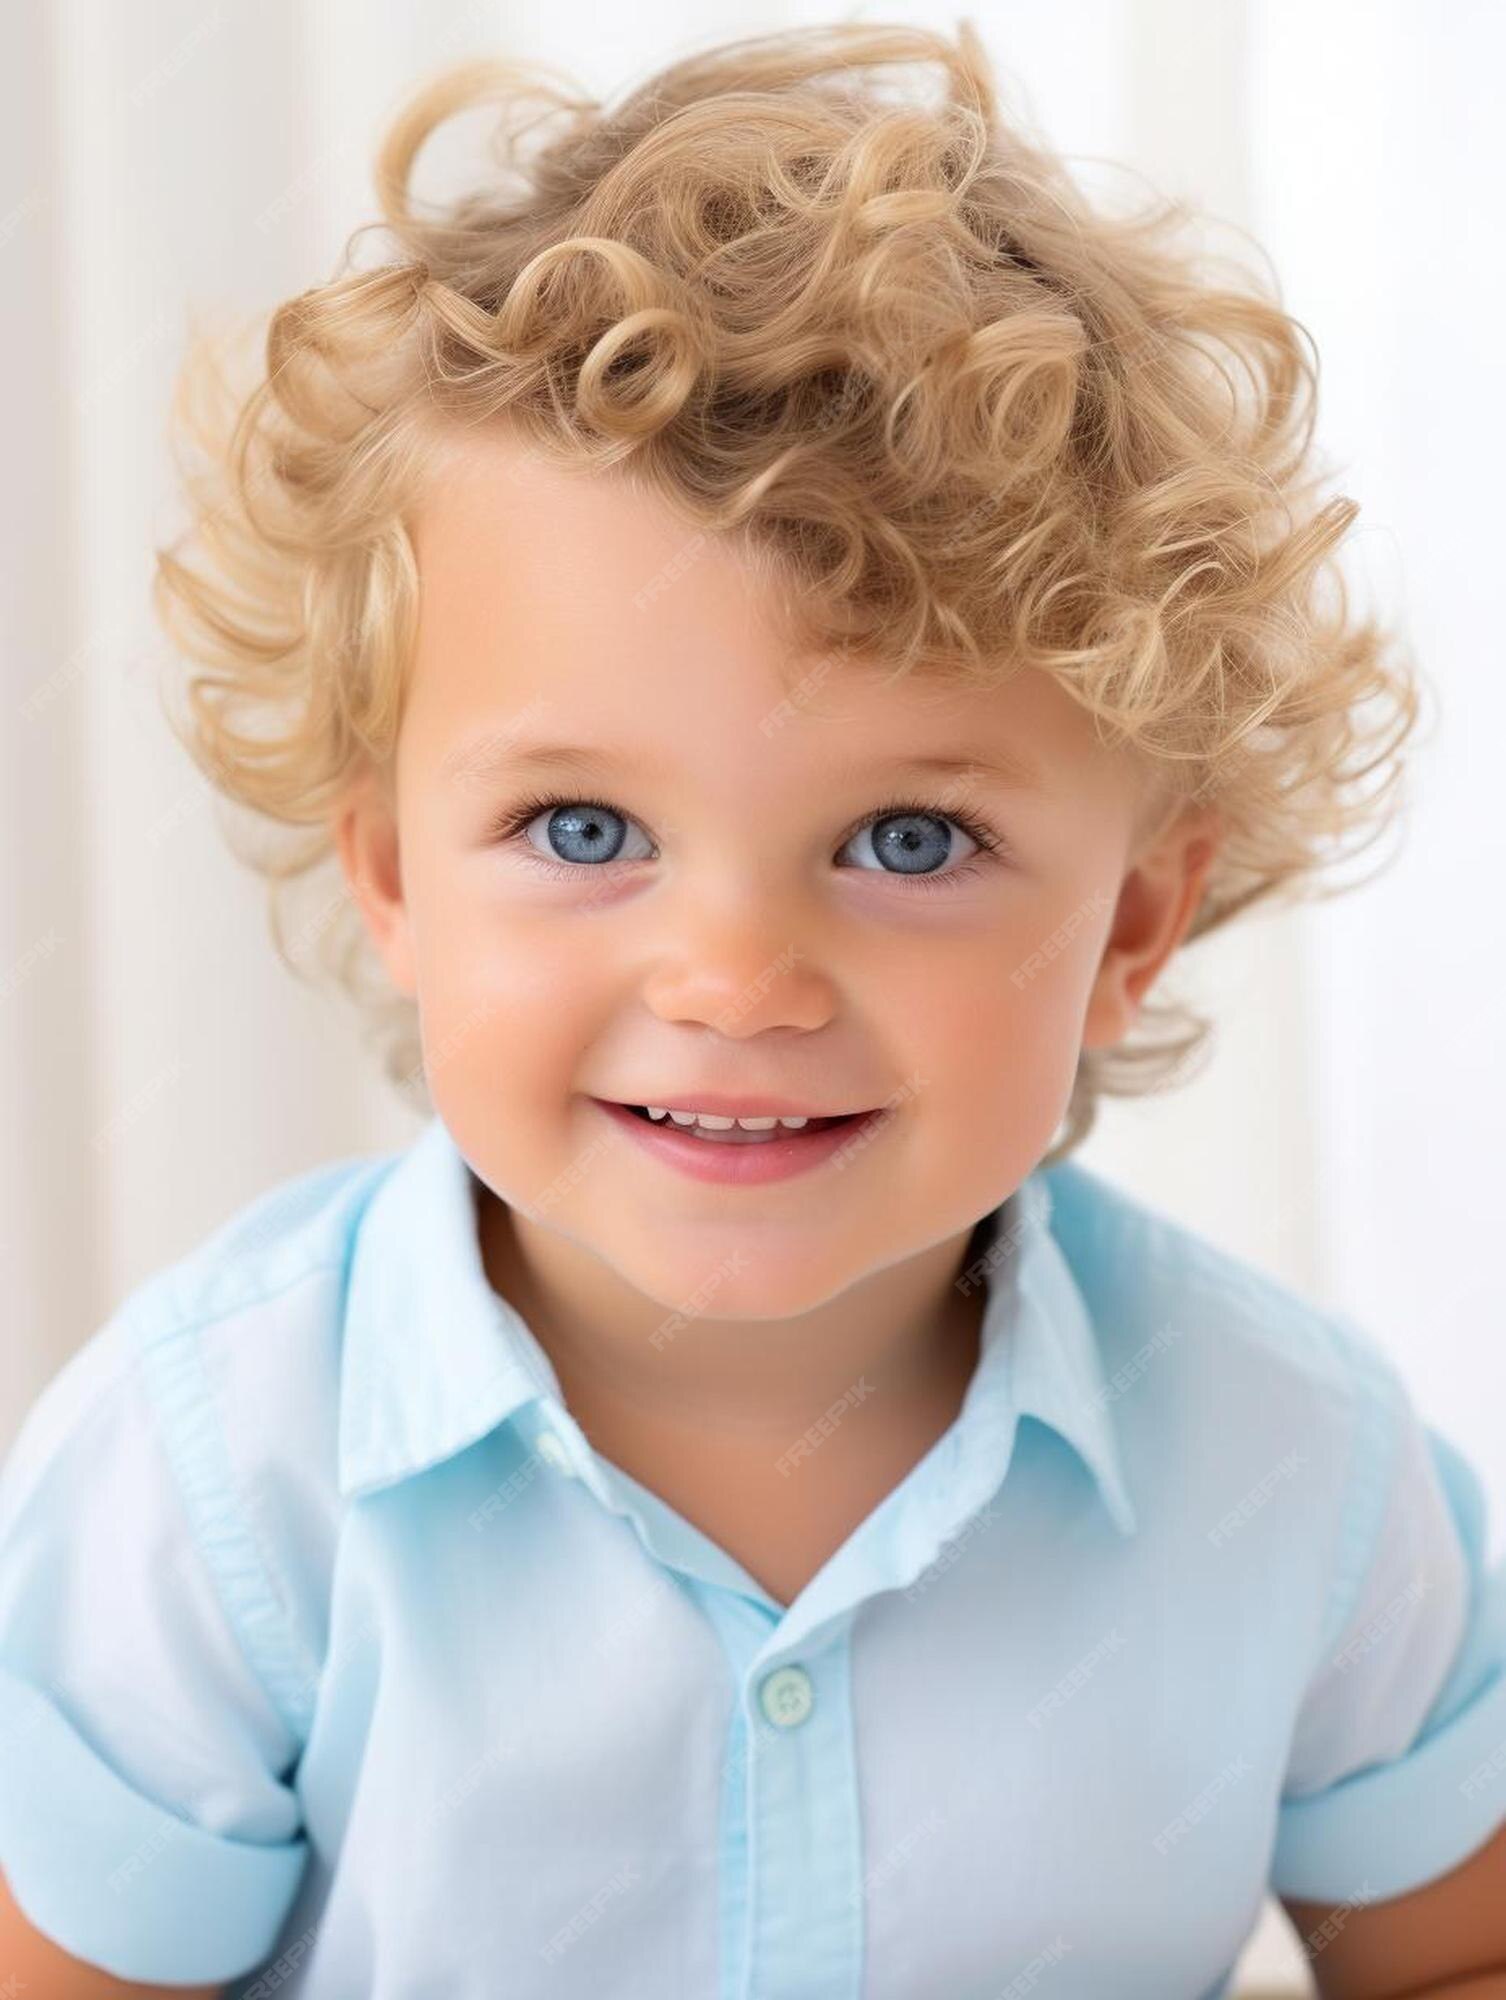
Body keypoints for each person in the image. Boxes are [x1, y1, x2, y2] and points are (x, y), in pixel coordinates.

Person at [2, 20, 1503, 1998]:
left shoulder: (1293, 1462)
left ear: (1139, 912)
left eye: (904, 840)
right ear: (390, 876)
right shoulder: (212, 1480)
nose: (732, 981)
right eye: (584, 823)